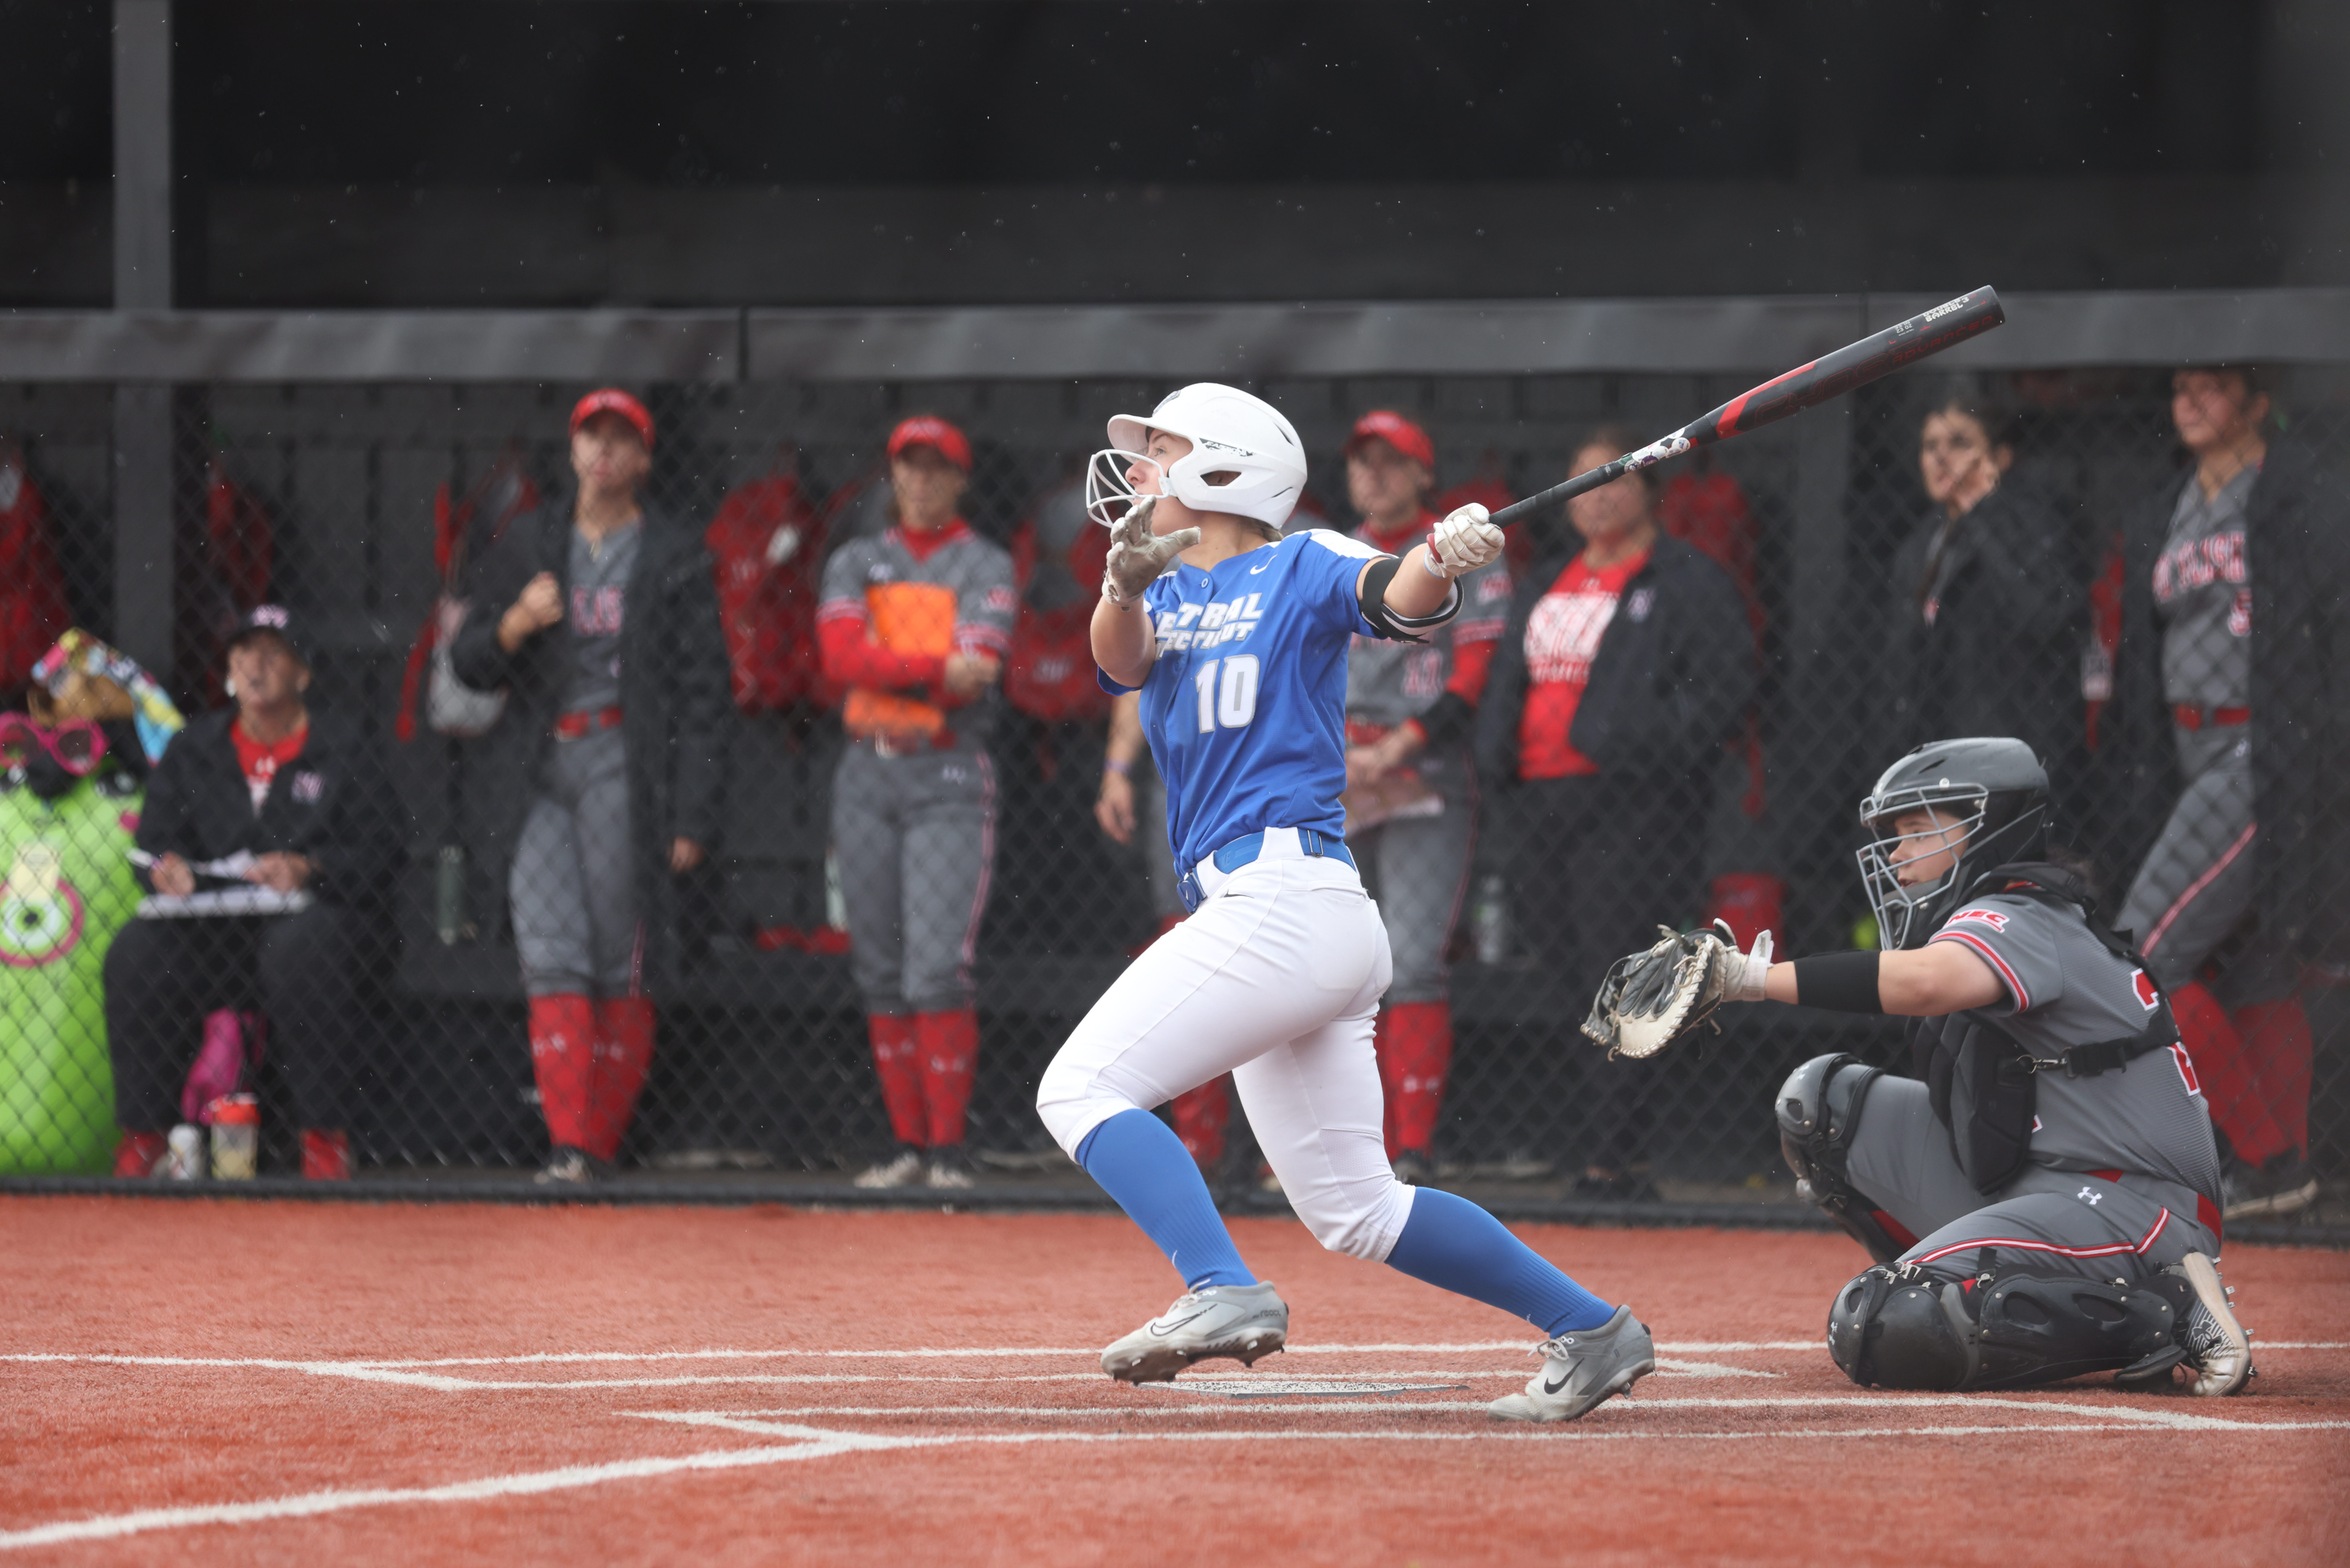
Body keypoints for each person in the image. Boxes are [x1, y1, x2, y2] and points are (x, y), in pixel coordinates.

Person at [1035, 382, 1653, 1424]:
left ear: (1222, 466)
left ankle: (1219, 1285)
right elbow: (1120, 659)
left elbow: (1396, 596)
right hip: (1287, 913)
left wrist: (1440, 553)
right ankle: (1594, 1329)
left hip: (1283, 892)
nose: (1138, 471)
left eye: (1162, 450)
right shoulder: (1165, 595)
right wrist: (1123, 586)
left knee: (1078, 1088)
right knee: (1357, 1209)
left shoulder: (1302, 557)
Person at [1596, 737, 2249, 1396]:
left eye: (1917, 832)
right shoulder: (2005, 914)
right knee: (1821, 1106)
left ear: (1987, 827)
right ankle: (1947, 1285)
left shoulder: (2024, 911)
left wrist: (1747, 977)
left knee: (1879, 1326)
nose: (1898, 855)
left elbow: (1929, 983)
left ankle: (2167, 1313)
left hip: (2131, 1208)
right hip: (2042, 1183)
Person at [449, 389, 731, 1184]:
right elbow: (467, 662)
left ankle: (598, 1144)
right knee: (550, 954)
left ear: (643, 458)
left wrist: (691, 815)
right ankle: (570, 1148)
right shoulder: (529, 540)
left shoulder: (673, 552)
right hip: (542, 769)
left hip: (624, 765)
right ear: (572, 452)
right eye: (590, 437)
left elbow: (708, 693)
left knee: (618, 959)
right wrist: (511, 624)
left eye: (620, 440)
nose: (603, 452)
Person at [1476, 425, 1753, 1196]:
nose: (1597, 496)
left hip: (1633, 804)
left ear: (1647, 490)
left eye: (1614, 480)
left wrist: (1637, 744)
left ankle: (1617, 1152)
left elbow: (1726, 690)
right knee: (1565, 974)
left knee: (1623, 972)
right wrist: (1493, 754)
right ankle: (1590, 1141)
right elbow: (1509, 678)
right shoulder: (1548, 579)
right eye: (1582, 482)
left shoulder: (1686, 578)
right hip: (1539, 799)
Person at [2104, 366, 2349, 1218]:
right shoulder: (2169, 504)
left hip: (2262, 749)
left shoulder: (2296, 488)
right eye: (2178, 388)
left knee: (2141, 953)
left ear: (2254, 399)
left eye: (2213, 387)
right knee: (2248, 964)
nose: (2190, 401)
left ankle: (2269, 1159)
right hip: (2186, 753)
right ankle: (2284, 1174)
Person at [104, 606, 403, 1180]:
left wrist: (310, 866)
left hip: (317, 931)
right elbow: (153, 845)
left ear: (302, 675)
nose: (254, 667)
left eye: (272, 654)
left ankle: (322, 1139)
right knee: (135, 953)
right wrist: (166, 871)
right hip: (215, 932)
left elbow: (382, 850)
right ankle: (142, 1136)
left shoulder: (343, 749)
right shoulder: (196, 747)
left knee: (301, 948)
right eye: (243, 654)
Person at [817, 415, 1016, 1191]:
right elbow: (838, 657)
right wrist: (934, 662)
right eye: (909, 466)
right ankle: (907, 1143)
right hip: (865, 770)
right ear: (891, 474)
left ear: (961, 479)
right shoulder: (856, 556)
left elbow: (983, 667)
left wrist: (886, 659)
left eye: (937, 468)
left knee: (936, 970)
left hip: (947, 774)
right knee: (878, 968)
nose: (922, 481)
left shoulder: (984, 559)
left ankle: (948, 1150)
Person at [1336, 411, 1512, 1185]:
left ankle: (1409, 1148)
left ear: (1422, 474)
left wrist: (1400, 745)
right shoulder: (1329, 553)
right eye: (1361, 462)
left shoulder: (1461, 552)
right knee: (1338, 967)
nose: (1373, 475)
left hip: (1424, 775)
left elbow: (1473, 678)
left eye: (1390, 461)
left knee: (1409, 963)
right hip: (1338, 775)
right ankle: (1347, 1145)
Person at [1880, 382, 2081, 778]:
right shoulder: (1919, 544)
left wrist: (1983, 514)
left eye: (1958, 443)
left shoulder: (2034, 524)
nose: (1941, 457)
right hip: (1931, 751)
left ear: (2000, 457)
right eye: (1929, 445)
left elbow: (2043, 617)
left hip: (2009, 750)